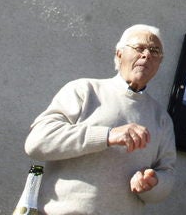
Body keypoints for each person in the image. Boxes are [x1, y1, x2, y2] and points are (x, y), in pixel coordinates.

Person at [24, 24, 176, 214]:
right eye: (139, 48)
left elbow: (167, 176)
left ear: (159, 63)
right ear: (119, 53)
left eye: (155, 51)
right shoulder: (84, 90)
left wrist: (153, 184)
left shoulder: (161, 118)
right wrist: (107, 135)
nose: (147, 55)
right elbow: (37, 142)